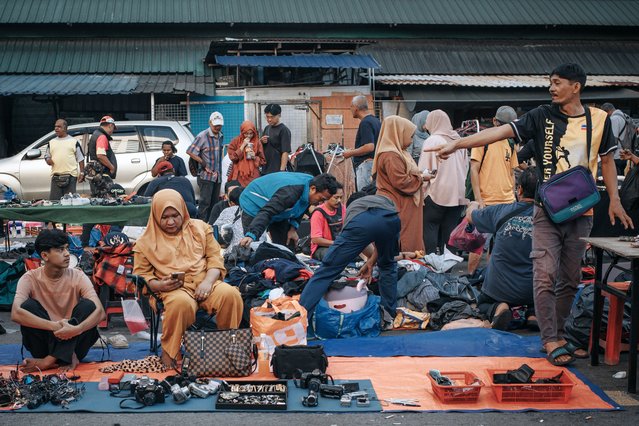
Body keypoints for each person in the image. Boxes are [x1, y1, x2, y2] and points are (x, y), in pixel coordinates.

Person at [430, 63, 633, 366]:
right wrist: (459, 142)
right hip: (546, 211)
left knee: (570, 278)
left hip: (582, 211)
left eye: (557, 82)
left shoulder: (600, 120)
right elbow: (498, 132)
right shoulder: (541, 115)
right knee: (544, 273)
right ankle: (550, 339)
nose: (551, 88)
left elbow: (606, 163)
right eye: (550, 82)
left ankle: (561, 334)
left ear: (575, 87)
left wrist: (615, 200)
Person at [133, 189, 243, 367]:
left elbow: (215, 259)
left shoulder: (200, 228)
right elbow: (141, 278)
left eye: (175, 215)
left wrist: (208, 282)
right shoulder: (144, 242)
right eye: (164, 217)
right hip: (173, 289)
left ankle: (227, 350)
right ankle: (170, 354)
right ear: (155, 216)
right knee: (180, 304)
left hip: (206, 282)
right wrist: (161, 284)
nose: (170, 222)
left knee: (230, 295)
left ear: (183, 211)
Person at [11, 229, 105, 372]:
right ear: (44, 255)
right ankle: (63, 357)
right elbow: (16, 314)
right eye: (60, 250)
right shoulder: (29, 278)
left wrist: (76, 329)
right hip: (44, 344)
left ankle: (48, 362)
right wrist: (55, 326)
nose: (67, 254)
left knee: (88, 306)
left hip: (75, 342)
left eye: (67, 248)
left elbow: (100, 313)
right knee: (27, 306)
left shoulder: (78, 276)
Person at [300, 192, 400, 323]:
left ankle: (301, 319)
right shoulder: (384, 199)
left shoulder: (353, 209)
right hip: (391, 219)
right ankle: (388, 317)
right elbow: (381, 236)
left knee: (326, 271)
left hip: (361, 224)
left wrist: (367, 260)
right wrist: (371, 262)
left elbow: (359, 240)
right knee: (387, 265)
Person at [467, 167, 537, 330]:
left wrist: (473, 204)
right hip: (535, 288)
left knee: (482, 303)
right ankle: (534, 314)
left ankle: (499, 308)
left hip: (499, 288)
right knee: (545, 293)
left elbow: (470, 216)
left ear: (519, 190)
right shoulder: (549, 217)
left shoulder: (501, 211)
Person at [468, 105, 519, 274]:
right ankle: (469, 279)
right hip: (487, 202)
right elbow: (473, 169)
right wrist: (478, 199)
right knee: (477, 247)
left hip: (507, 203)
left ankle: (489, 280)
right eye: (503, 124)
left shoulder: (510, 143)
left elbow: (511, 172)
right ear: (495, 121)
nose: (506, 129)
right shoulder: (483, 139)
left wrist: (513, 195)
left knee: (497, 248)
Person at [238, 173, 339, 248]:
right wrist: (251, 235)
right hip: (254, 202)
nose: (321, 203)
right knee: (253, 245)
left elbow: (301, 208)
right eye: (321, 199)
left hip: (280, 210)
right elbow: (267, 212)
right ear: (313, 189)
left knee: (286, 244)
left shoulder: (311, 188)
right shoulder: (290, 194)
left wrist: (293, 229)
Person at [373, 115, 428, 252]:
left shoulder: (397, 153)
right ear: (398, 134)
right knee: (403, 239)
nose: (411, 141)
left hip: (399, 204)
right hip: (399, 205)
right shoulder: (391, 156)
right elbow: (402, 182)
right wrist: (421, 178)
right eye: (409, 136)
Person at [418, 110, 468, 255]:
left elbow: (425, 170)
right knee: (450, 231)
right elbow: (465, 167)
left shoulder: (433, 140)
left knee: (430, 227)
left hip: (437, 192)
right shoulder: (459, 140)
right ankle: (448, 269)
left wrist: (421, 192)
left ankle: (431, 267)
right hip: (457, 194)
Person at [81, 115, 118, 247]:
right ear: (110, 125)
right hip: (102, 179)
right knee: (109, 208)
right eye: (113, 127)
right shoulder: (102, 136)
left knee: (97, 208)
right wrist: (111, 167)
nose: (113, 130)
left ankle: (85, 241)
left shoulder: (96, 135)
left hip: (97, 179)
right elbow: (101, 155)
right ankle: (111, 241)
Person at [188, 111, 224, 222]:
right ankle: (201, 226)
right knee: (204, 203)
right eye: (215, 125)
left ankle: (212, 227)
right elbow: (190, 151)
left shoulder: (221, 136)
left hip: (217, 176)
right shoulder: (202, 136)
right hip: (205, 176)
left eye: (219, 125)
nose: (217, 127)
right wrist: (202, 162)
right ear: (210, 123)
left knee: (215, 204)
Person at [343, 95, 381, 191]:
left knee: (364, 196)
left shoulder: (365, 123)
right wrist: (355, 150)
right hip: (374, 164)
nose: (350, 108)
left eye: (351, 106)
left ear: (356, 107)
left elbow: (369, 147)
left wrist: (350, 153)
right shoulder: (375, 120)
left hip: (366, 166)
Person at [45, 119, 85, 200]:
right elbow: (47, 156)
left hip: (71, 176)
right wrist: (48, 160)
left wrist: (82, 172)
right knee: (54, 202)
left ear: (65, 128)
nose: (56, 128)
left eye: (59, 127)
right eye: (55, 126)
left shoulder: (73, 142)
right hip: (56, 176)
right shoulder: (51, 142)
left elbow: (80, 158)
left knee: (70, 202)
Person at [310, 183, 346, 261]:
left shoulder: (342, 208)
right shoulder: (318, 213)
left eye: (341, 197)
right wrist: (336, 243)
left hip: (339, 244)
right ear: (328, 196)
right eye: (336, 197)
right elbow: (316, 239)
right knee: (334, 255)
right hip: (322, 248)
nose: (339, 200)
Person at [228, 120, 266, 186]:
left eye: (251, 133)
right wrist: (242, 146)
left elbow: (263, 161)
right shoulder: (236, 141)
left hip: (253, 175)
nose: (248, 136)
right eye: (246, 133)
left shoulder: (257, 142)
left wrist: (254, 157)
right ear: (242, 132)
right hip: (239, 175)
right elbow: (232, 157)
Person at [260, 104, 292, 175]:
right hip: (266, 168)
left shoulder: (284, 130)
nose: (269, 119)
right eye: (267, 117)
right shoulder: (267, 128)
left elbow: (285, 152)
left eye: (272, 117)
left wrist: (282, 171)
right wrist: (261, 141)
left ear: (279, 115)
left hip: (277, 169)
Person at [601, 102, 630, 175]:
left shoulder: (614, 119)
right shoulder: (624, 116)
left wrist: (608, 155)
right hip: (625, 152)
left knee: (617, 178)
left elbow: (613, 138)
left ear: (607, 111)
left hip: (617, 155)